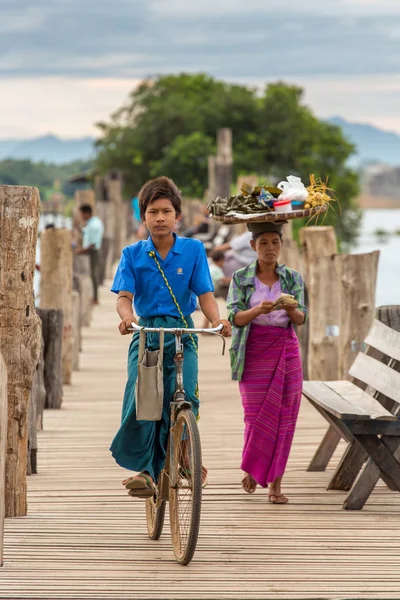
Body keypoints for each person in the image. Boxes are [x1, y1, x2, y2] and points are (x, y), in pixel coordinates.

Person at [110, 176, 231, 497]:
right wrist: (127, 319)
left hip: (182, 330)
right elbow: (124, 296)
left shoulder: (192, 250)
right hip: (147, 332)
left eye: (166, 211)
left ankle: (185, 455)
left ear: (178, 216)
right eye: (153, 212)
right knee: (145, 400)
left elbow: (205, 294)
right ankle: (147, 472)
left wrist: (218, 320)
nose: (160, 218)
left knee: (186, 394)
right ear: (143, 217)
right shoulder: (133, 254)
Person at [226, 222, 306, 504]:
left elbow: (301, 319)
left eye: (275, 242)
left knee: (285, 417)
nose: (270, 249)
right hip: (253, 351)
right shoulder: (241, 278)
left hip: (286, 350)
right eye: (263, 243)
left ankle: (275, 485)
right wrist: (256, 310)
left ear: (281, 245)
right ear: (252, 247)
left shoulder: (292, 278)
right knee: (254, 416)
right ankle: (252, 467)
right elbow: (234, 317)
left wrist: (291, 307)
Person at [76, 205, 104, 305]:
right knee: (92, 274)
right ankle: (93, 297)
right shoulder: (93, 223)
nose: (81, 216)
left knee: (93, 274)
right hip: (91, 251)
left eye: (82, 214)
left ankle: (95, 298)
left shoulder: (94, 225)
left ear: (87, 213)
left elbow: (93, 243)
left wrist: (81, 251)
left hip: (92, 251)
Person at [202, 249, 231, 329]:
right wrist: (233, 279)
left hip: (207, 290)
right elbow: (222, 280)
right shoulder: (216, 269)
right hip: (212, 291)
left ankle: (205, 326)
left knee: (208, 310)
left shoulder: (211, 267)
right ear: (221, 260)